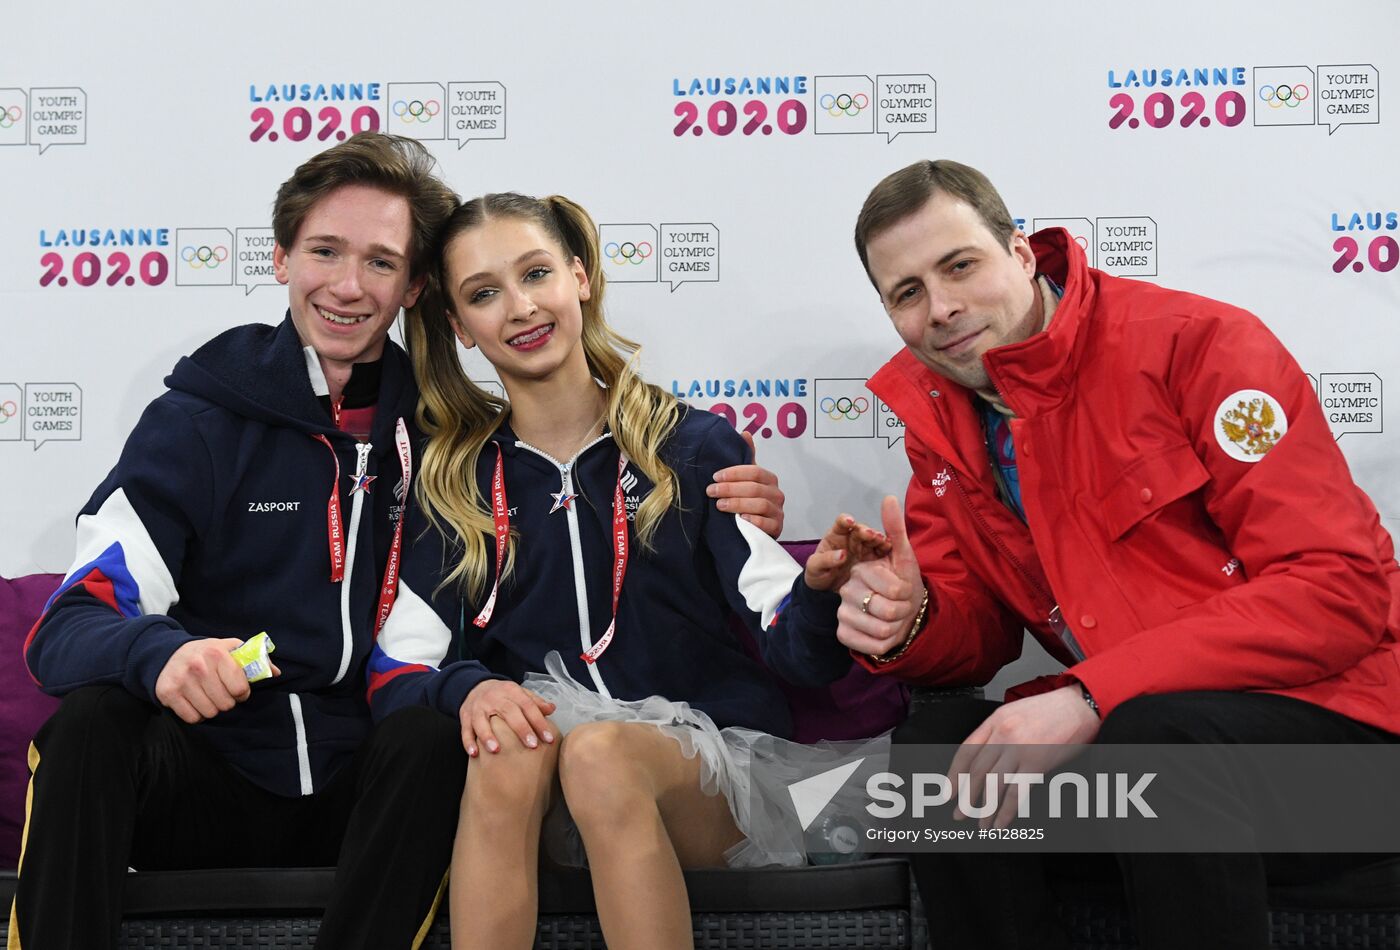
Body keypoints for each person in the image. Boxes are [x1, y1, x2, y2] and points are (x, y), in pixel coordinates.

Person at [832, 159, 1400, 949]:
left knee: (1156, 734)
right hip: (1152, 768)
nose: (943, 308)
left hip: (1354, 766)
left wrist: (1093, 696)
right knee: (935, 758)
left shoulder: (1201, 344)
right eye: (908, 293)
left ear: (1022, 254)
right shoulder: (940, 424)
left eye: (959, 266)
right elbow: (981, 633)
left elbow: (1339, 589)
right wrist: (911, 620)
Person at [370, 190, 869, 950]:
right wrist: (469, 689)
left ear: (581, 276)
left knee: (601, 755)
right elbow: (394, 670)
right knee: (507, 739)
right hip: (545, 797)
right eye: (483, 294)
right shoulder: (453, 484)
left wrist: (823, 593)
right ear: (459, 328)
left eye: (536, 273)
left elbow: (796, 649)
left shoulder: (693, 449)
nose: (519, 308)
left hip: (706, 780)